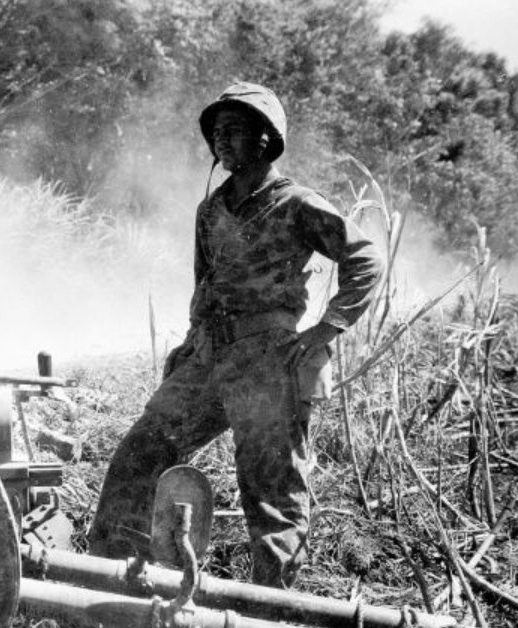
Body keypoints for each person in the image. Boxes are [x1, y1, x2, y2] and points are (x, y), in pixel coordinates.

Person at [87, 82, 385, 587]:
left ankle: (268, 613)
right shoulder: (210, 211)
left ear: (266, 139)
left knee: (271, 493)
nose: (221, 142)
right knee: (141, 451)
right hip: (208, 357)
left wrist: (324, 331)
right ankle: (114, 579)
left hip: (267, 362)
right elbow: (203, 288)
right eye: (216, 133)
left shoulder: (297, 204)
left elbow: (367, 261)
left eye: (234, 131)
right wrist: (186, 352)